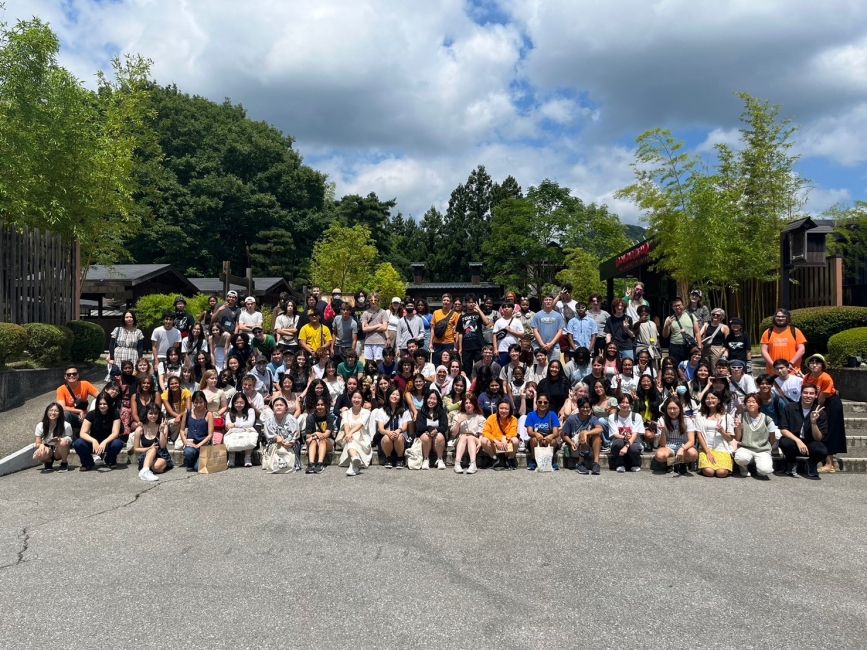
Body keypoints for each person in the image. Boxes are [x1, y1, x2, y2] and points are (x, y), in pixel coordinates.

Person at [803, 354, 846, 473]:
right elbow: (806, 392)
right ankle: (827, 460)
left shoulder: (826, 377)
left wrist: (815, 411)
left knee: (829, 432)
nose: (814, 364)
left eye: (818, 362)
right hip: (817, 403)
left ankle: (829, 464)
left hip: (830, 404)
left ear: (822, 365)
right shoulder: (807, 377)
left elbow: (822, 398)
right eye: (812, 362)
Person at [778, 384, 828, 479]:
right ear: (801, 394)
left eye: (811, 393)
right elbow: (783, 430)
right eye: (805, 392)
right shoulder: (790, 408)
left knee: (822, 450)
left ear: (815, 396)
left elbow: (818, 438)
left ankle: (811, 464)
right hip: (794, 442)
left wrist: (814, 423)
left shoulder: (820, 412)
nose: (808, 395)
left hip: (810, 442)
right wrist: (798, 441)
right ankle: (791, 462)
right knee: (785, 442)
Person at [73, 392, 123, 472]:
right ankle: (87, 463)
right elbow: (82, 433)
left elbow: (115, 433)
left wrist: (104, 442)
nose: (102, 406)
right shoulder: (91, 414)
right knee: (78, 443)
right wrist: (93, 441)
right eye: (100, 404)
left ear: (109, 404)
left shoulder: (115, 413)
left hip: (108, 442)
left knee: (118, 443)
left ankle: (110, 460)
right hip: (93, 443)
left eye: (105, 404)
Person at [733, 393, 778, 479]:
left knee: (765, 470)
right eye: (748, 402)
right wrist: (738, 428)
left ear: (759, 404)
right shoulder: (741, 417)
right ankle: (743, 467)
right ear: (745, 404)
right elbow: (737, 439)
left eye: (754, 402)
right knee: (740, 458)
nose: (751, 404)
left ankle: (758, 466)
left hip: (762, 450)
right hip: (746, 448)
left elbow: (773, 437)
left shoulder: (767, 419)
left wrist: (767, 447)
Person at [654, 396, 698, 476]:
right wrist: (663, 430)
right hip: (668, 446)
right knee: (659, 456)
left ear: (680, 409)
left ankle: (676, 463)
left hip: (684, 445)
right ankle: (675, 463)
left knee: (693, 454)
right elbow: (662, 444)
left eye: (675, 408)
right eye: (669, 408)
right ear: (666, 409)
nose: (672, 411)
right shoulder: (661, 420)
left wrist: (682, 448)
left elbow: (691, 441)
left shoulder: (687, 420)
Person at [695, 391, 735, 478]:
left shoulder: (727, 417)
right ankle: (702, 466)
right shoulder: (700, 415)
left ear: (719, 400)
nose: (710, 400)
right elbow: (699, 435)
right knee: (709, 472)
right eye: (707, 398)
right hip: (706, 449)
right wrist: (708, 452)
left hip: (723, 449)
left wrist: (722, 432)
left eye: (713, 398)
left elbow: (730, 438)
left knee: (721, 473)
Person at [132, 403, 173, 481]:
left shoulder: (163, 426)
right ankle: (146, 470)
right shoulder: (140, 429)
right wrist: (149, 448)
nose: (153, 416)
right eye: (150, 413)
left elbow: (163, 446)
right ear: (146, 414)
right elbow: (136, 449)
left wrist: (161, 431)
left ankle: (145, 470)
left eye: (156, 413)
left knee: (157, 467)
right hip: (146, 455)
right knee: (153, 449)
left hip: (161, 455)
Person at [760, 308, 807, 375]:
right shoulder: (768, 332)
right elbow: (764, 351)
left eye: (783, 316)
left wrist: (791, 363)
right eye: (778, 316)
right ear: (774, 318)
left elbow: (802, 349)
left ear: (787, 318)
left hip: (792, 371)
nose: (780, 318)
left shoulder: (795, 331)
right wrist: (773, 364)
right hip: (773, 372)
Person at [336, 390, 372, 476]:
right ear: (351, 399)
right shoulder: (346, 412)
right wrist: (348, 434)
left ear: (362, 400)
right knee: (351, 439)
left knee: (352, 439)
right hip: (349, 438)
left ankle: (354, 463)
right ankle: (355, 459)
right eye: (354, 397)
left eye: (359, 398)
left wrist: (349, 434)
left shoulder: (366, 412)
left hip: (362, 439)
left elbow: (361, 425)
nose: (356, 400)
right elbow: (346, 425)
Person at [262, 396, 301, 472]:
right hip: (275, 442)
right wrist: (276, 438)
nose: (278, 407)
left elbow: (295, 433)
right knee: (272, 445)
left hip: (290, 442)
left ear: (286, 408)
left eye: (281, 405)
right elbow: (268, 434)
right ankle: (273, 464)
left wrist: (289, 442)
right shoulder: (269, 419)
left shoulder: (291, 418)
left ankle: (293, 464)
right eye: (276, 405)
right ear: (273, 408)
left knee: (295, 444)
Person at [456, 293, 492, 375]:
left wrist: (479, 309)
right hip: (466, 346)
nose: (471, 304)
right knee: (467, 369)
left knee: (480, 368)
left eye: (473, 302)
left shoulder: (478, 314)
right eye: (469, 302)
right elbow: (460, 333)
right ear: (466, 303)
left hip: (478, 345)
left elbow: (486, 323)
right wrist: (460, 348)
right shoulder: (462, 317)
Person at [56, 366, 100, 432]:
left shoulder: (85, 384)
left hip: (84, 416)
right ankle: (67, 435)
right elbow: (62, 407)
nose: (71, 376)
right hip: (71, 416)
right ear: (65, 377)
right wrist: (79, 411)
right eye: (69, 374)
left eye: (74, 374)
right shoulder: (61, 389)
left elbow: (100, 397)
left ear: (78, 375)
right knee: (65, 414)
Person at [608, 394, 644, 472]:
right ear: (618, 404)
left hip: (634, 440)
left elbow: (635, 434)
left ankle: (635, 464)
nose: (624, 405)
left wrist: (626, 446)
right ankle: (620, 464)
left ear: (631, 404)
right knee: (618, 443)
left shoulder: (637, 416)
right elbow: (615, 434)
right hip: (619, 440)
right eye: (622, 402)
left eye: (627, 402)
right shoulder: (612, 417)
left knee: (634, 448)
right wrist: (624, 437)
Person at [525, 394, 561, 471]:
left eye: (545, 402)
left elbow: (556, 433)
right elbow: (529, 431)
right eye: (540, 402)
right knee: (533, 439)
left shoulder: (552, 414)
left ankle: (550, 461)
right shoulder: (531, 415)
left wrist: (550, 436)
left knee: (554, 441)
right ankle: (533, 460)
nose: (542, 404)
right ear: (536, 403)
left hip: (548, 439)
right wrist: (535, 433)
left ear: (548, 404)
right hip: (536, 440)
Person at [414, 389, 449, 470]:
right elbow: (419, 427)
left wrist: (436, 430)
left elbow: (444, 426)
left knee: (440, 435)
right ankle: (426, 459)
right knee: (425, 436)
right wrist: (429, 429)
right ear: (426, 399)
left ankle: (440, 459)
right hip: (426, 441)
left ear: (438, 401)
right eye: (430, 398)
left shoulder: (442, 412)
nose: (431, 401)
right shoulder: (421, 411)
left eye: (434, 399)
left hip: (437, 442)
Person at [480, 400, 520, 470]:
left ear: (510, 410)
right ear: (498, 409)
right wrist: (496, 441)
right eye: (501, 408)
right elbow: (485, 432)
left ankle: (510, 459)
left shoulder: (513, 419)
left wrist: (505, 438)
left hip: (507, 445)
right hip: (495, 445)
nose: (503, 411)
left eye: (506, 409)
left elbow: (513, 433)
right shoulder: (491, 418)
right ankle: (494, 458)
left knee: (515, 440)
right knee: (483, 440)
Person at [33, 402, 73, 472]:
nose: (53, 413)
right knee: (39, 453)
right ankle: (48, 462)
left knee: (63, 441)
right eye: (51, 410)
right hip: (48, 448)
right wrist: (41, 445)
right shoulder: (40, 425)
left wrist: (59, 439)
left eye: (56, 411)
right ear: (47, 412)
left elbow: (70, 440)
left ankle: (64, 463)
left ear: (60, 413)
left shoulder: (66, 425)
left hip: (59, 449)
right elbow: (37, 443)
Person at [662, 297, 702, 366]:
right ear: (672, 307)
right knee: (675, 366)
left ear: (683, 305)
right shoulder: (669, 319)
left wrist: (699, 346)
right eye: (675, 306)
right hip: (675, 346)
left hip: (689, 346)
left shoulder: (691, 316)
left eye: (679, 305)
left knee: (689, 365)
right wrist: (667, 325)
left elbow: (697, 332)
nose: (677, 307)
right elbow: (665, 335)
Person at [180, 391, 214, 471]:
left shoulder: (209, 414)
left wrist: (199, 445)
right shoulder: (187, 412)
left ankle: (197, 460)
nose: (198, 405)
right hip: (191, 444)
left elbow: (210, 435)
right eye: (196, 402)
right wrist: (185, 442)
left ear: (205, 402)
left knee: (197, 468)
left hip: (203, 445)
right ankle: (191, 461)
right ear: (193, 403)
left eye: (201, 402)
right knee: (188, 451)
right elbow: (181, 430)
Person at [451, 394, 485, 474]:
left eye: (470, 403)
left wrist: (480, 443)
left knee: (470, 437)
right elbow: (453, 434)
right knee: (464, 437)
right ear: (463, 404)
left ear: (474, 404)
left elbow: (481, 434)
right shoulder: (458, 416)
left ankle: (473, 464)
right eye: (466, 403)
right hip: (460, 440)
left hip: (474, 440)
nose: (468, 405)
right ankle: (457, 463)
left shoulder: (479, 417)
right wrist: (458, 422)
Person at [225, 392, 257, 468]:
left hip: (246, 432)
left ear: (245, 403)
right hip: (234, 432)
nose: (239, 405)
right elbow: (228, 425)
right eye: (236, 403)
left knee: (251, 435)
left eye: (241, 403)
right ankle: (231, 458)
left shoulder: (250, 411)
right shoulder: (229, 414)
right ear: (233, 403)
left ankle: (247, 458)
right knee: (230, 436)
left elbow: (250, 424)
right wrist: (239, 427)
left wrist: (235, 425)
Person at [304, 397, 336, 474]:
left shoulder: (329, 417)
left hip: (328, 442)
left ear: (326, 406)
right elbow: (308, 436)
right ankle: (311, 464)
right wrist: (315, 436)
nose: (320, 407)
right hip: (314, 441)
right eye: (318, 405)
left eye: (322, 405)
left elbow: (327, 434)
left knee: (322, 439)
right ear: (315, 406)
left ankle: (320, 463)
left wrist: (316, 434)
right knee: (313, 441)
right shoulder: (310, 417)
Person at [532, 294, 566, 362]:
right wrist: (542, 344)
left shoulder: (558, 315)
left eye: (550, 300)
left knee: (554, 367)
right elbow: (535, 330)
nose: (548, 301)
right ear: (543, 302)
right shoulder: (537, 315)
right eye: (546, 300)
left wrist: (551, 344)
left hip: (554, 346)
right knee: (539, 368)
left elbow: (560, 331)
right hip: (539, 346)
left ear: (553, 301)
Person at [430, 294, 461, 367]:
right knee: (436, 363)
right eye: (444, 300)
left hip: (449, 343)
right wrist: (430, 343)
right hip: (437, 343)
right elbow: (432, 329)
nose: (446, 302)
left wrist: (455, 346)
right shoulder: (436, 313)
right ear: (442, 301)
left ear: (451, 303)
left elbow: (456, 331)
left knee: (448, 364)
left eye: (448, 300)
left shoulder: (455, 314)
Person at [493, 301, 525, 367]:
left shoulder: (517, 321)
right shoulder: (498, 322)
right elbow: (494, 336)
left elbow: (522, 335)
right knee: (503, 369)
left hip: (515, 350)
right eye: (504, 307)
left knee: (515, 368)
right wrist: (495, 349)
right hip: (502, 350)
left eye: (508, 307)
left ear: (513, 309)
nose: (506, 308)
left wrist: (511, 331)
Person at [361, 293, 390, 362]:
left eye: (375, 300)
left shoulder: (383, 312)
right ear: (369, 301)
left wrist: (369, 328)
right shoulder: (365, 313)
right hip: (368, 341)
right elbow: (364, 329)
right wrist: (378, 325)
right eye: (371, 300)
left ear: (378, 301)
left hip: (380, 341)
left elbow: (384, 327)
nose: (373, 302)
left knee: (379, 361)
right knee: (368, 362)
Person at [699, 308, 729, 373]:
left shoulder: (724, 327)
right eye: (713, 314)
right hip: (706, 348)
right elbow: (699, 334)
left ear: (722, 316)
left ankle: (717, 382)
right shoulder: (706, 325)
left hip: (717, 349)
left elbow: (727, 341)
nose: (715, 316)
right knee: (705, 367)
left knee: (715, 368)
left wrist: (723, 351)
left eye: (718, 315)